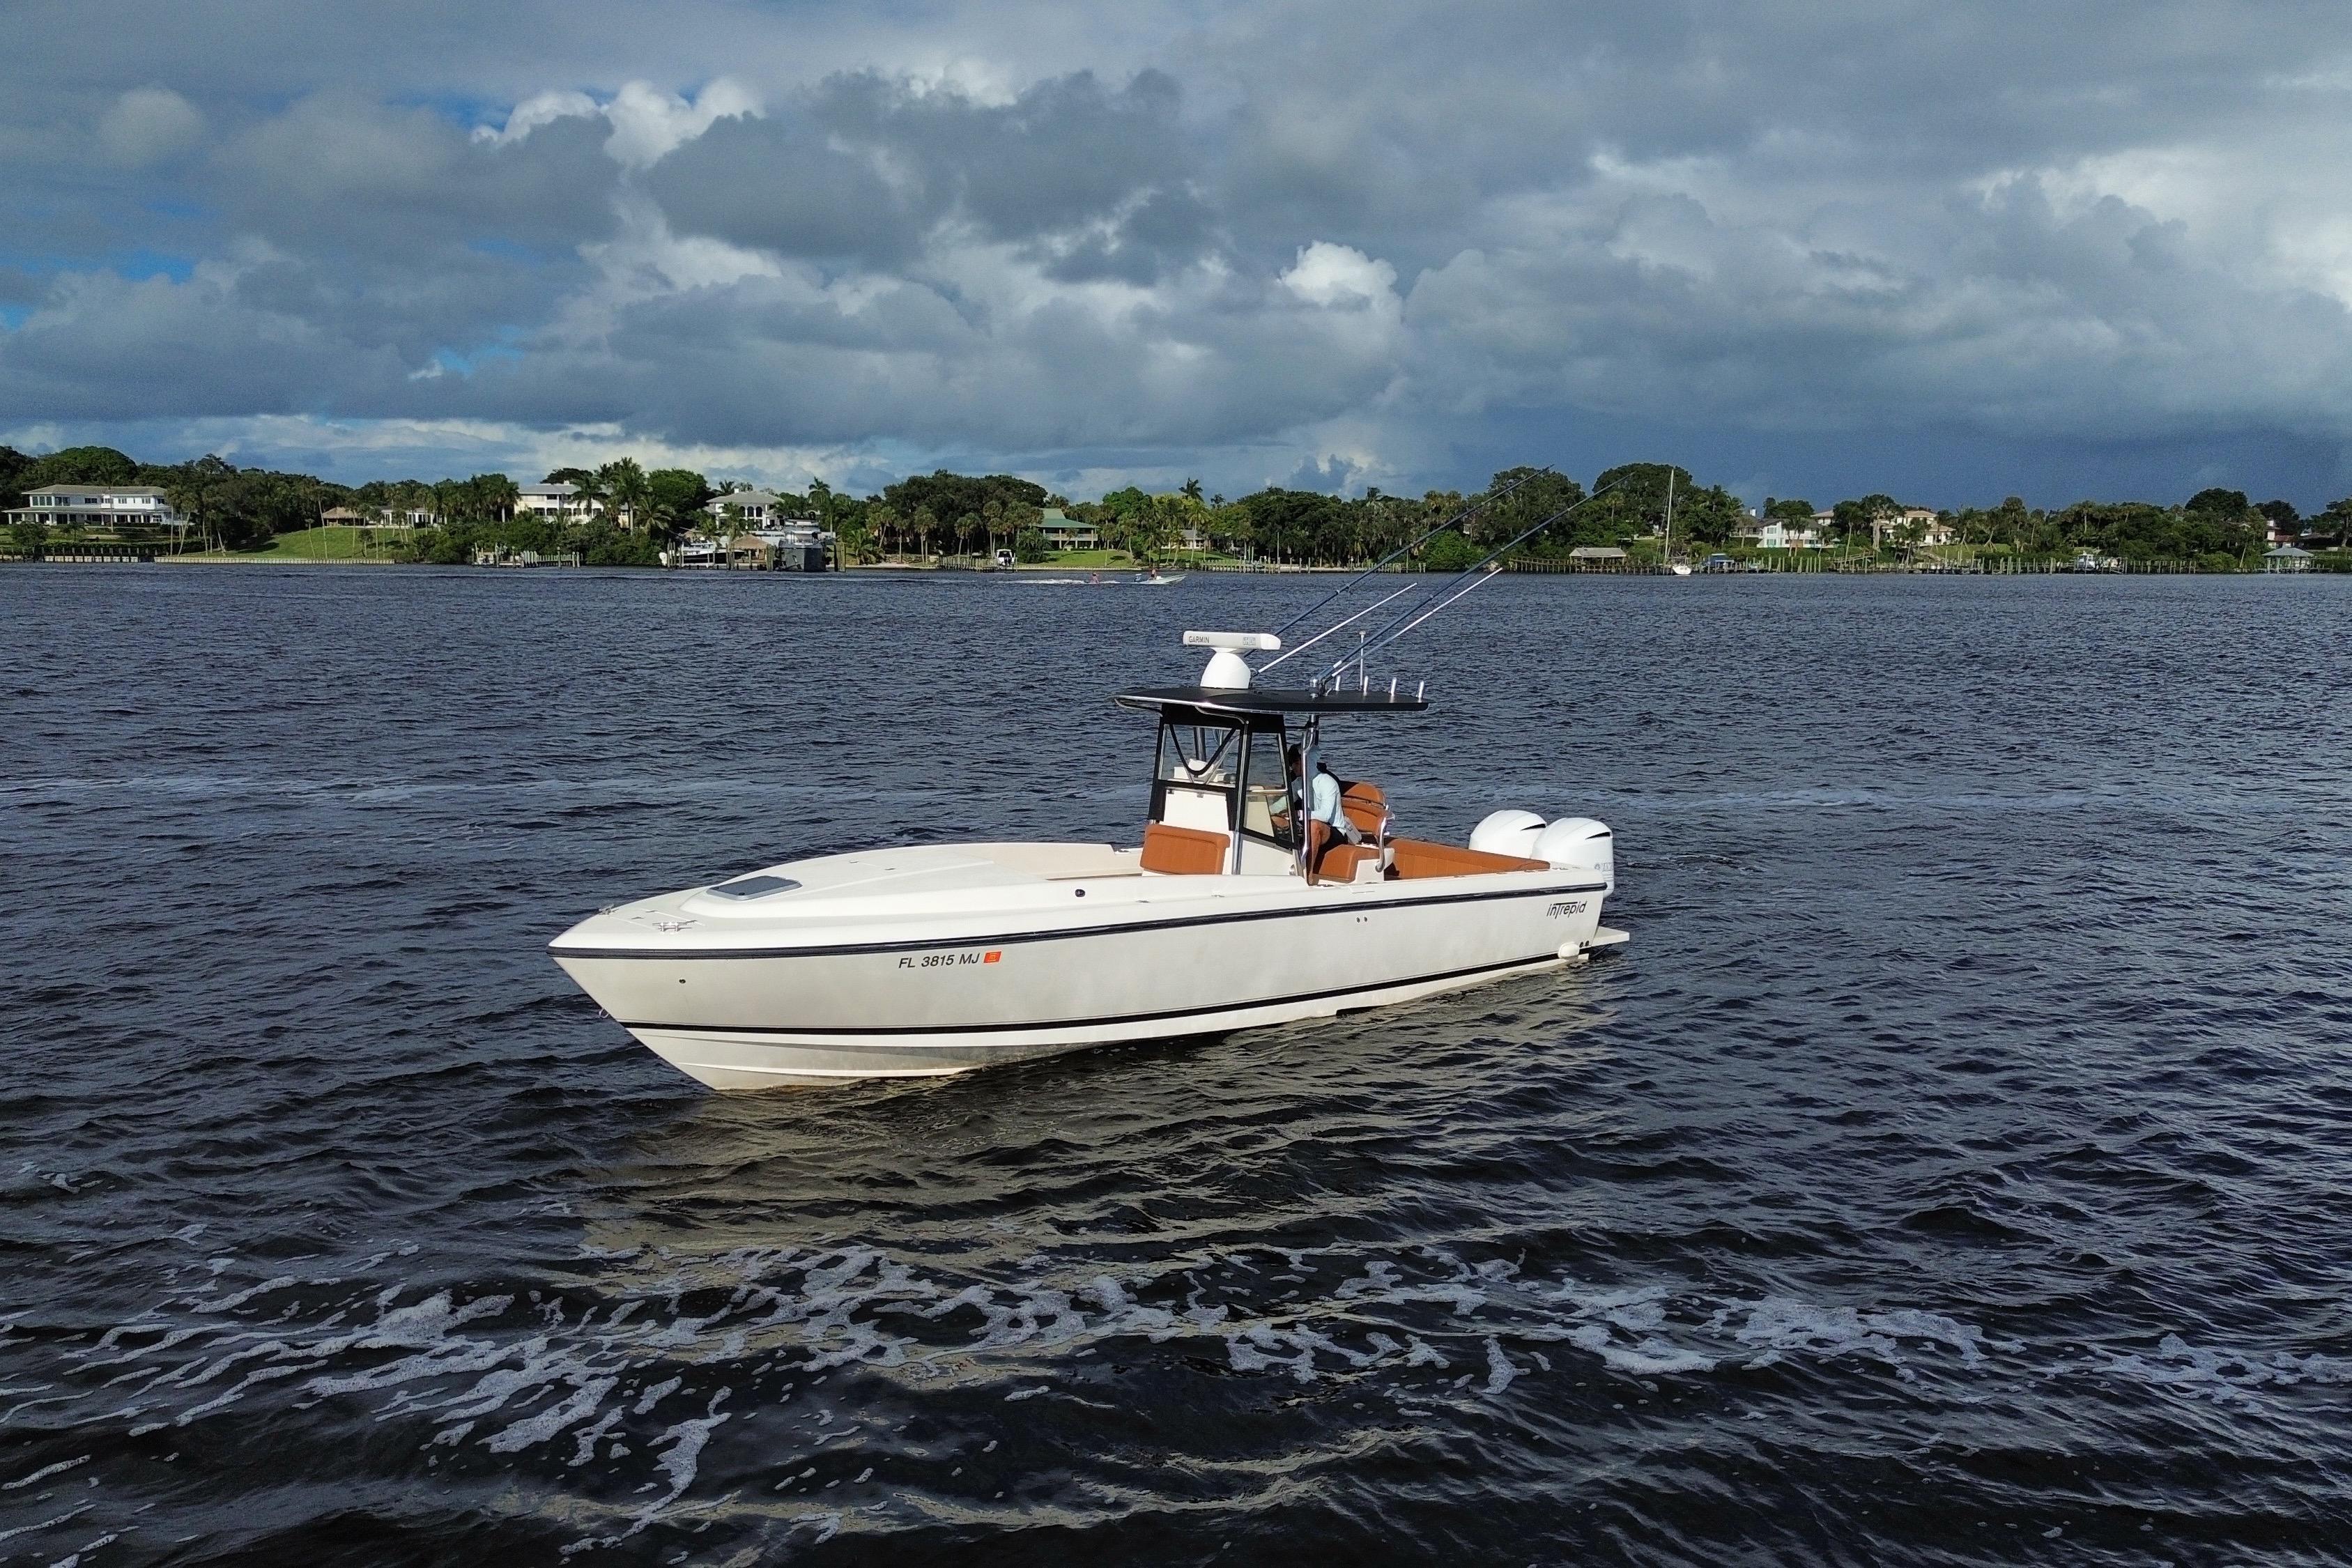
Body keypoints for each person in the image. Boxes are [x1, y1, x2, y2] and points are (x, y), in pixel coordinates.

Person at [1286, 742, 1359, 882]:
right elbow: (1281, 804)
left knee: (1314, 825)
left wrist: (1298, 814)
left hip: (1334, 830)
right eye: (1291, 764)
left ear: (1307, 762)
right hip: (1307, 825)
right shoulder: (1299, 784)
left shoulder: (1327, 782)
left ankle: (1308, 875)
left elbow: (1325, 815)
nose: (1293, 767)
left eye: (1296, 763)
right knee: (1278, 820)